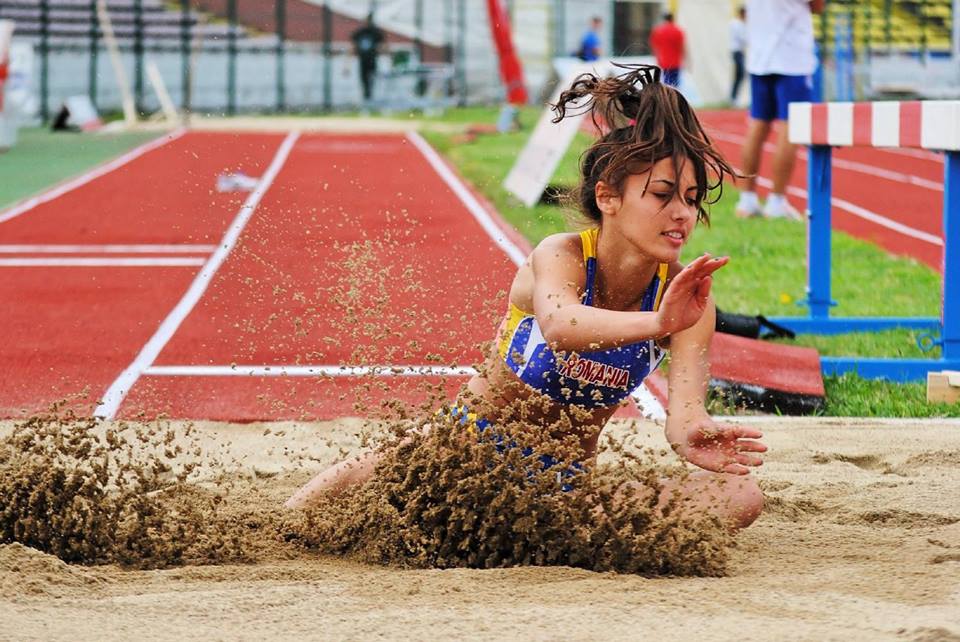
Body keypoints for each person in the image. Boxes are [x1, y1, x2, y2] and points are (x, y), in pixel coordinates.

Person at [286, 65, 766, 533]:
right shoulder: (562, 255)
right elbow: (561, 325)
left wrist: (693, 433)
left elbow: (684, 418)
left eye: (691, 198)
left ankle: (530, 535)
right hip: (458, 460)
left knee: (742, 494)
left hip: (560, 490)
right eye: (662, 195)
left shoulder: (686, 299)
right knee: (333, 493)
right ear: (608, 198)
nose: (682, 213)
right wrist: (658, 323)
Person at [735, 0, 825, 220]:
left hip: (759, 57)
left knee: (758, 125)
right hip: (791, 58)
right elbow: (817, 6)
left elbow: (743, 12)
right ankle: (776, 201)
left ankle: (747, 199)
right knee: (790, 126)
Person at [351, 12, 385, 107]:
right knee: (363, 79)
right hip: (362, 60)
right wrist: (347, 63)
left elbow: (382, 46)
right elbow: (353, 47)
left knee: (372, 79)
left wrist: (383, 53)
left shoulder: (376, 33)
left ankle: (370, 98)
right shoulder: (359, 32)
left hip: (372, 60)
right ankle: (366, 98)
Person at [649, 13, 685, 87]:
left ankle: (667, 93)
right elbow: (681, 47)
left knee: (666, 83)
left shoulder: (658, 31)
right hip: (676, 62)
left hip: (664, 61)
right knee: (675, 84)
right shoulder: (678, 30)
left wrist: (657, 58)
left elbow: (654, 46)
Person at [729, 6, 747, 105]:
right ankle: (733, 97)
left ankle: (734, 97)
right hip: (737, 51)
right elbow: (743, 38)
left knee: (739, 75)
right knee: (740, 74)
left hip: (739, 52)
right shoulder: (736, 24)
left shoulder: (738, 24)